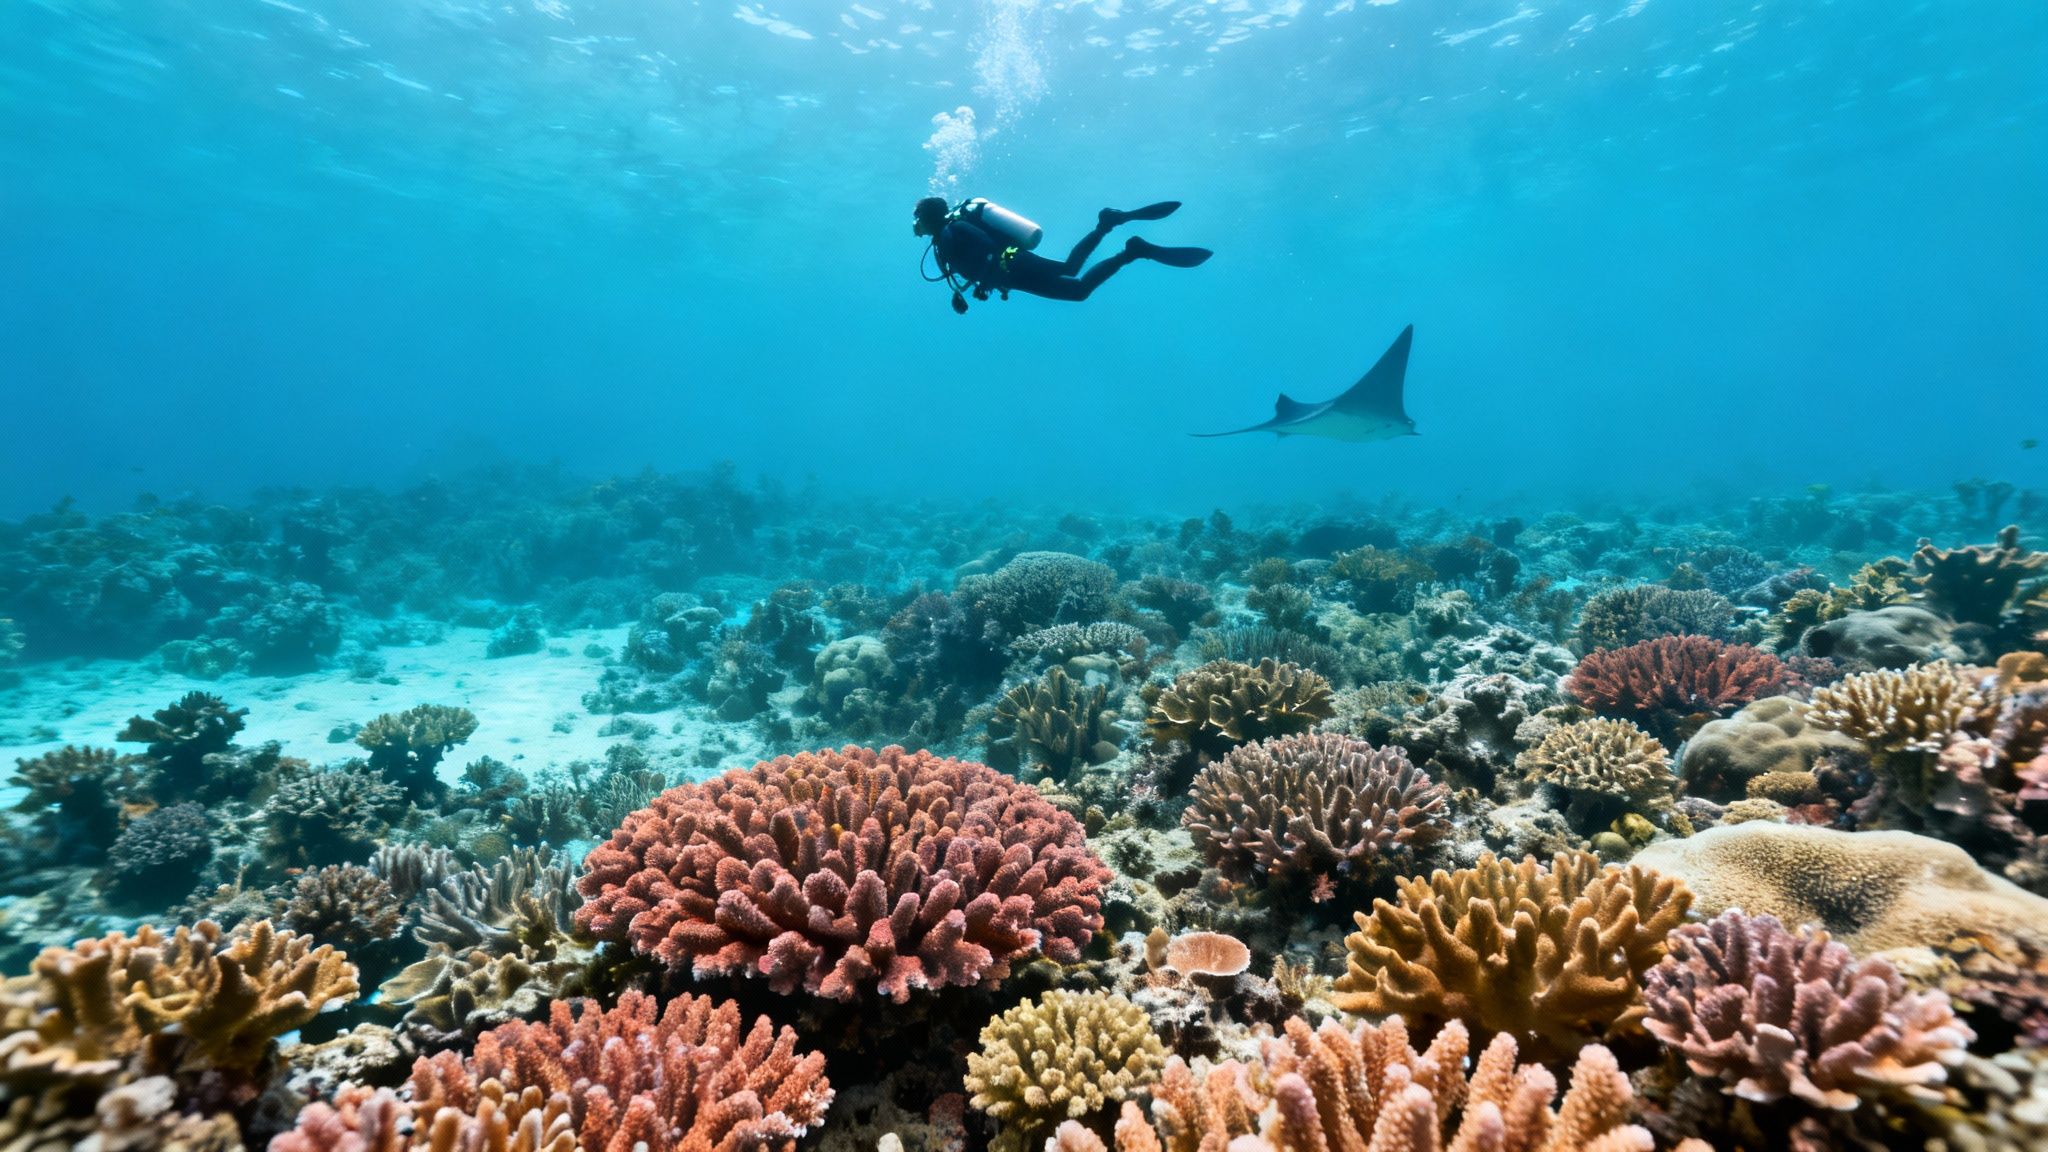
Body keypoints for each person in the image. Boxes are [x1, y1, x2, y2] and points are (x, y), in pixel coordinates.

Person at [914, 196, 1211, 313]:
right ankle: (1132, 252)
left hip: (1011, 262)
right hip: (1007, 273)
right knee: (1078, 291)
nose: (915, 224)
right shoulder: (942, 239)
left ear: (929, 217)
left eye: (917, 217)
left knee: (1071, 269)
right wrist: (981, 283)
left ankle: (1107, 225)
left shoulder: (953, 230)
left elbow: (985, 247)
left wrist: (994, 271)